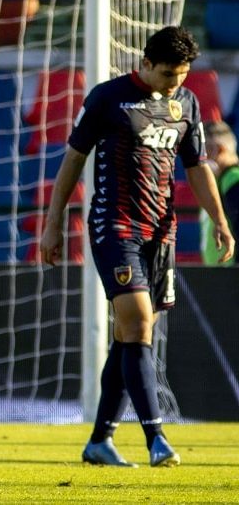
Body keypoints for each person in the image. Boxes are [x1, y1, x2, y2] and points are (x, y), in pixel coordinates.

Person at [40, 26, 234, 468]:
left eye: (182, 74)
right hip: (116, 225)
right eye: (167, 73)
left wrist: (220, 221)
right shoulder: (108, 98)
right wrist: (53, 224)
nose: (175, 82)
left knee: (128, 337)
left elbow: (197, 166)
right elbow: (74, 157)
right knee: (140, 323)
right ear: (145, 63)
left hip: (160, 233)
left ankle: (99, 442)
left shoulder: (186, 103)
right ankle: (157, 438)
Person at [201, 121, 239, 265]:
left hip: (229, 274)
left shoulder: (232, 178)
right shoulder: (215, 183)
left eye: (204, 152)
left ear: (220, 150)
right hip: (217, 273)